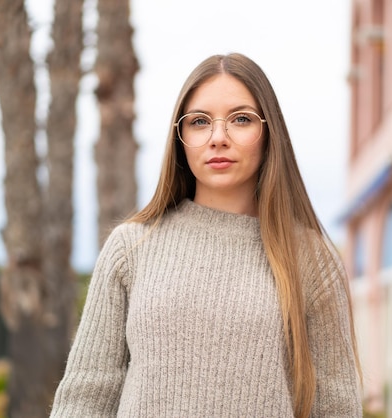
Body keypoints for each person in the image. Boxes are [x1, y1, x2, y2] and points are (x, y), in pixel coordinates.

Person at [50, 53, 362, 418]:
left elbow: (337, 406)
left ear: (269, 132)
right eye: (199, 122)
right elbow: (87, 395)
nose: (218, 138)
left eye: (241, 119)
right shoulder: (131, 247)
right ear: (180, 137)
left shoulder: (311, 258)